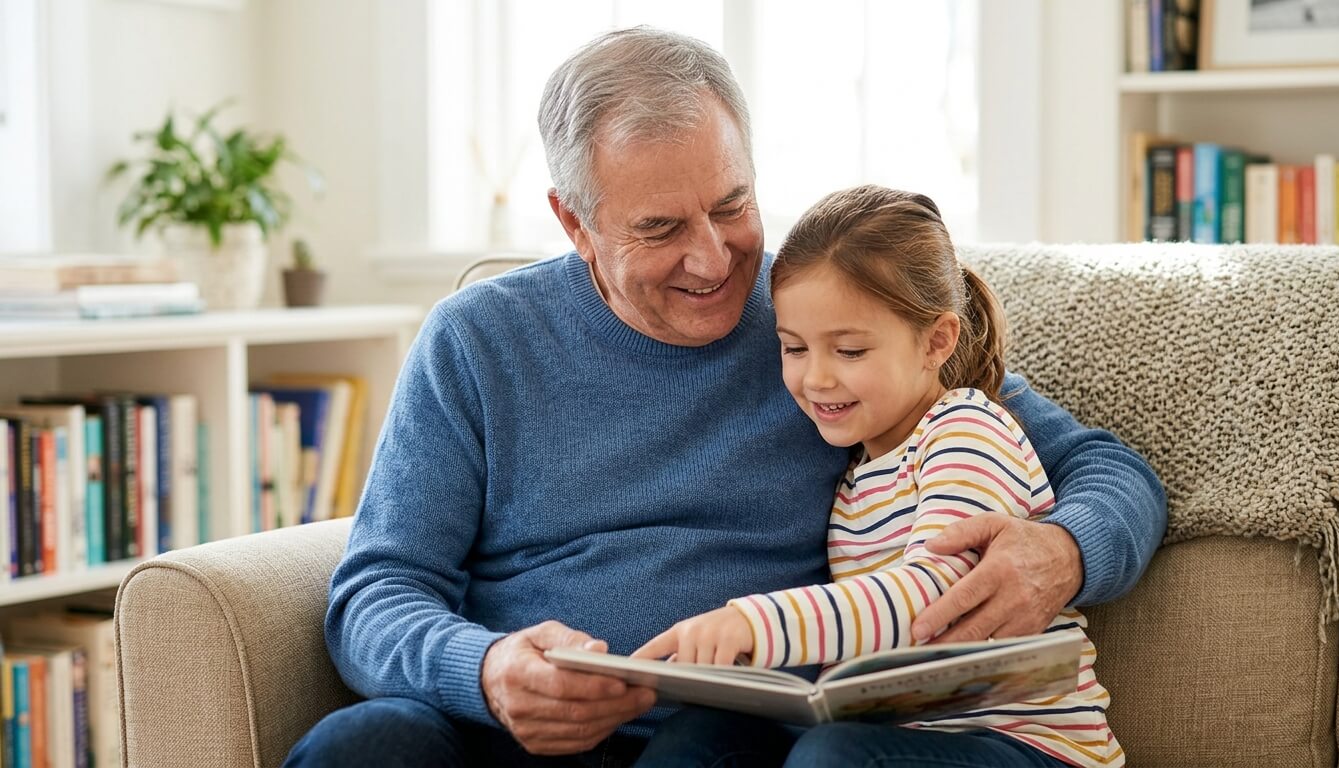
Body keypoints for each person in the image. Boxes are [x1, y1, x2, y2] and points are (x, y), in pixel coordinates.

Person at [284, 27, 1165, 768]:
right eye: (660, 228)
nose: (713, 260)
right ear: (573, 222)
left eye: (732, 205)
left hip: (732, 731)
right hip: (521, 734)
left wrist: (1062, 551)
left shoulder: (826, 322)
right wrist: (484, 670)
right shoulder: (475, 341)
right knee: (365, 745)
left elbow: (1104, 467)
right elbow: (377, 591)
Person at [632, 186, 1120, 768]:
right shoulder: (855, 477)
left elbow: (930, 597)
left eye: (850, 351)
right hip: (902, 735)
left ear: (936, 341)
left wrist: (753, 623)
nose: (816, 379)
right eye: (794, 349)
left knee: (833, 755)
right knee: (700, 737)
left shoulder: (965, 429)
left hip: (1027, 749)